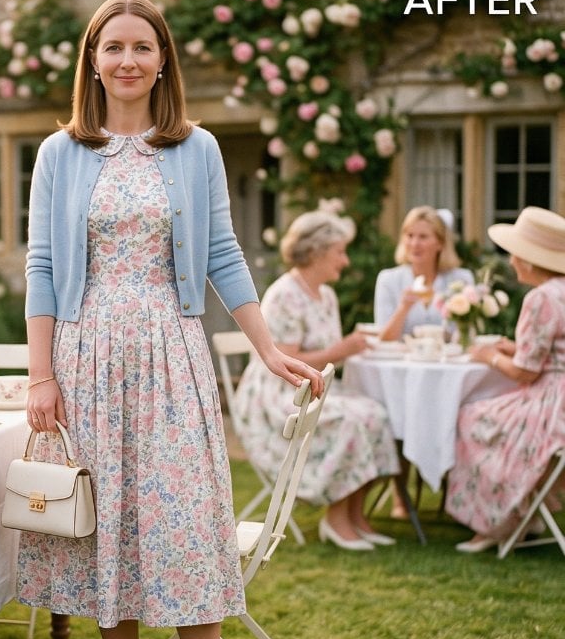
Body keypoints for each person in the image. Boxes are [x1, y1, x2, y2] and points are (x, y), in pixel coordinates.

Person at [22, 0, 322, 639]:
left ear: (163, 62)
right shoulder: (60, 153)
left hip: (172, 352)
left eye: (142, 48)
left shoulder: (196, 149)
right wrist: (40, 375)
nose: (127, 60)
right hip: (88, 359)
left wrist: (266, 345)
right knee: (106, 524)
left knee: (189, 522)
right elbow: (44, 268)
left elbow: (222, 253)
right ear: (92, 59)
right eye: (113, 46)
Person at [234, 210, 399, 551]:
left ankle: (355, 517)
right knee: (351, 420)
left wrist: (344, 349)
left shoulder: (326, 295)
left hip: (314, 388)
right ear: (317, 252)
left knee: (377, 413)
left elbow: (324, 354)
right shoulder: (285, 294)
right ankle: (336, 519)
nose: (345, 260)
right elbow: (285, 362)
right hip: (278, 394)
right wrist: (344, 348)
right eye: (339, 251)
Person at [446, 206, 565, 553]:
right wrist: (515, 347)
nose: (512, 261)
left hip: (550, 406)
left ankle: (495, 523)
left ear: (529, 260)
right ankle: (525, 513)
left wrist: (490, 356)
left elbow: (527, 373)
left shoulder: (540, 298)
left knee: (473, 418)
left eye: (515, 254)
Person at [374, 206, 472, 340]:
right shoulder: (388, 279)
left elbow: (466, 336)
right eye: (409, 235)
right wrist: (403, 308)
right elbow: (384, 340)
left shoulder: (461, 280)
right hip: (402, 361)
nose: (414, 243)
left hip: (447, 359)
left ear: (440, 243)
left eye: (423, 237)